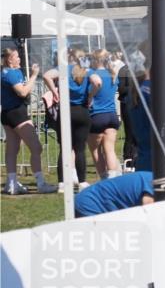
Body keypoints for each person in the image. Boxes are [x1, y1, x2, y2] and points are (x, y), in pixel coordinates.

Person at [43, 53, 102, 190]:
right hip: (82, 111)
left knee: (65, 148)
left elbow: (46, 76)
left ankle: (62, 183)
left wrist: (54, 91)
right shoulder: (87, 71)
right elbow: (98, 82)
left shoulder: (63, 69)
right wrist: (90, 95)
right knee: (80, 148)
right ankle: (81, 182)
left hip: (65, 111)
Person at [2, 48, 57, 194]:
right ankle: (40, 183)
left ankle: (11, 184)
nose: (19, 59)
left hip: (9, 113)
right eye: (16, 57)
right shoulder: (10, 73)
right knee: (36, 147)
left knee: (12, 149)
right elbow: (23, 92)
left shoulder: (13, 72)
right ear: (9, 60)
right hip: (16, 113)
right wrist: (34, 75)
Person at [87, 50, 122, 179]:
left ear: (95, 60)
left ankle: (103, 178)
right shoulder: (113, 75)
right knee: (110, 149)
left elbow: (89, 92)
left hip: (96, 115)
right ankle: (112, 177)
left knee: (95, 150)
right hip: (112, 115)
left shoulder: (93, 76)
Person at [75, 171, 155, 217]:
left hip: (87, 199)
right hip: (90, 203)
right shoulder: (155, 183)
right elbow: (148, 212)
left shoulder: (153, 178)